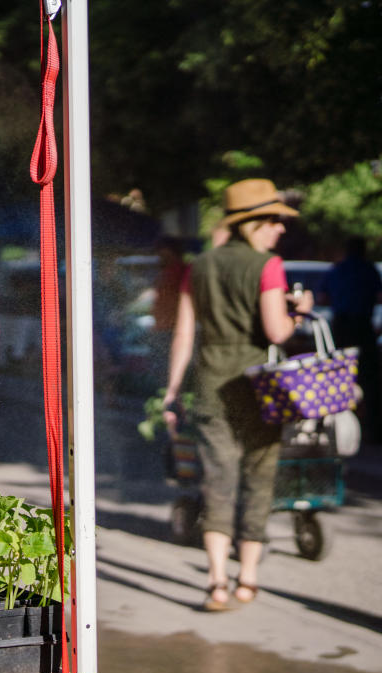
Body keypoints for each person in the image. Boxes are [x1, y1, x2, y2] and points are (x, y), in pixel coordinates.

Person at [163, 179, 314, 611]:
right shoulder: (268, 265)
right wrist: (297, 312)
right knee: (259, 478)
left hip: (209, 384)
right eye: (274, 221)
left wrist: (173, 389)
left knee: (217, 483)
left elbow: (184, 333)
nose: (280, 229)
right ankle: (247, 579)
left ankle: (216, 582)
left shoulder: (200, 266)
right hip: (258, 388)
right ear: (254, 223)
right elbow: (276, 331)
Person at [318, 236, 382, 439]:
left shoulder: (338, 269)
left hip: (342, 326)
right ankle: (372, 430)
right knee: (370, 379)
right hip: (362, 326)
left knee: (339, 375)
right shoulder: (368, 269)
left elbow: (322, 297)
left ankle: (337, 429)